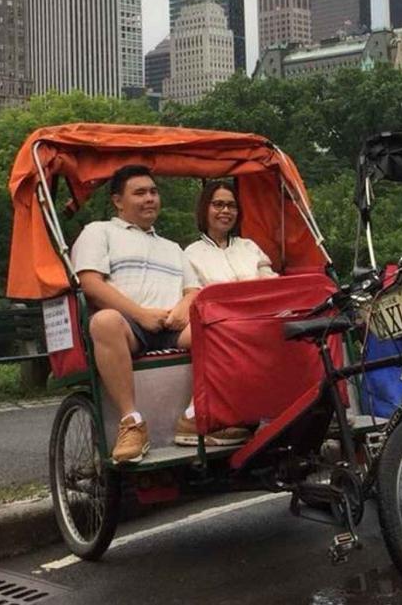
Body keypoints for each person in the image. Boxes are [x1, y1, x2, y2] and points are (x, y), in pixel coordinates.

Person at [71, 164, 198, 464]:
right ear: (118, 201)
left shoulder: (172, 247)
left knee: (219, 326)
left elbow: (193, 290)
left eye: (153, 192)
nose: (150, 198)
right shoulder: (99, 231)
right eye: (139, 193)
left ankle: (194, 415)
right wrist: (140, 315)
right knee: (103, 321)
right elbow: (89, 283)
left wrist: (183, 308)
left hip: (172, 324)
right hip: (129, 326)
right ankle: (131, 422)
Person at [170, 180, 276, 447]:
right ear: (205, 209)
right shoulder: (191, 254)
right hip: (221, 324)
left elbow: (270, 284)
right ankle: (197, 413)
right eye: (218, 204)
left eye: (231, 205)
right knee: (231, 333)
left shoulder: (249, 247)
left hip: (259, 318)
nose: (225, 211)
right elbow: (194, 298)